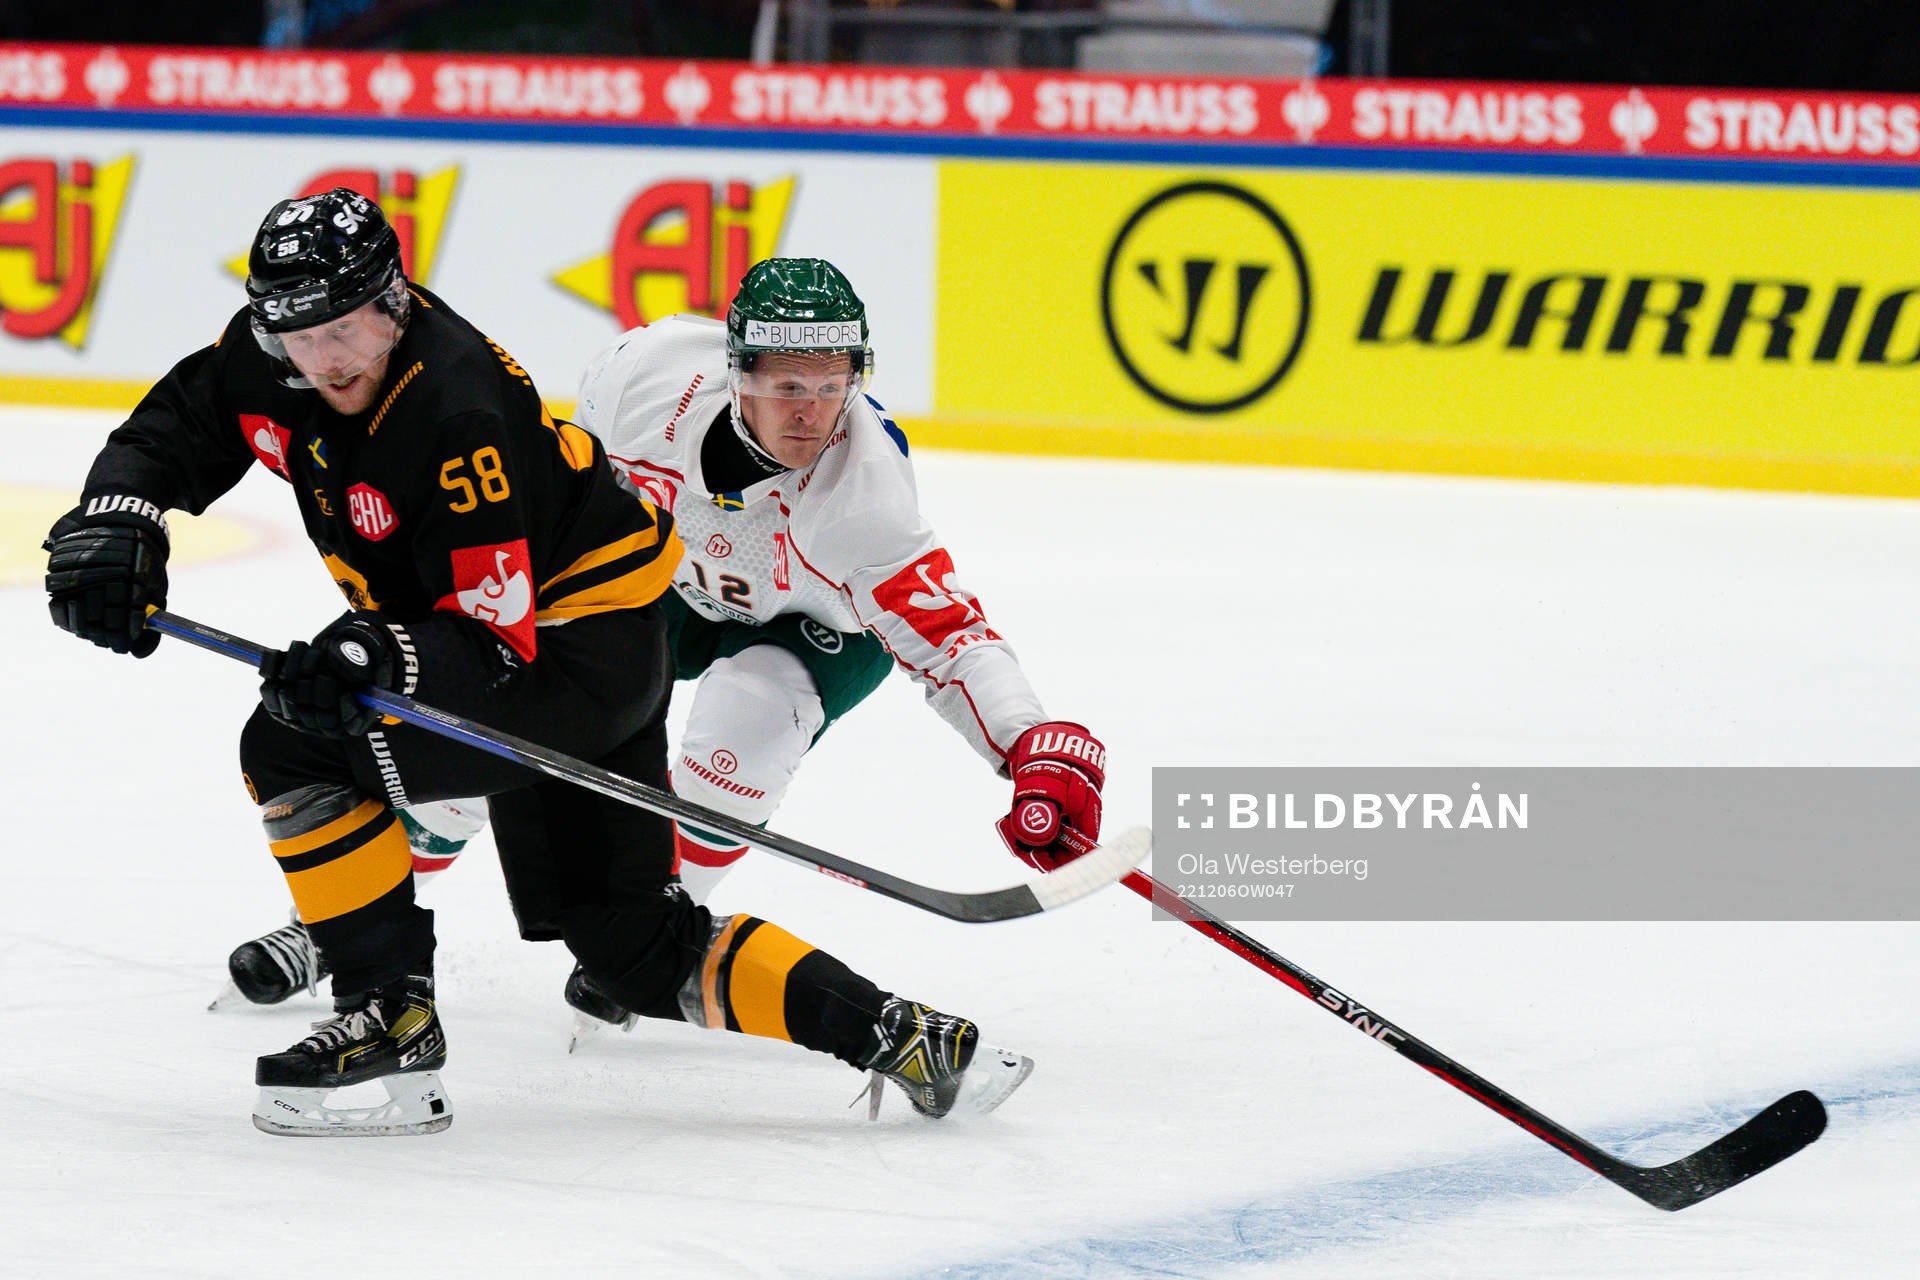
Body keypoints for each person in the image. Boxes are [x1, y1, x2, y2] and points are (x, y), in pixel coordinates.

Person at [45, 195, 1027, 1133]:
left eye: (346, 327)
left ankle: (384, 1003)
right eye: (302, 335)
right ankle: (907, 1035)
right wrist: (120, 512)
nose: (328, 357)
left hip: (576, 656)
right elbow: (190, 414)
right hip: (613, 621)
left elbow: (491, 643)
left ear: (392, 302)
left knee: (294, 741)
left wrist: (369, 652)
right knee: (633, 945)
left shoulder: (458, 413)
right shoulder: (282, 354)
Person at [219, 256, 1109, 1054]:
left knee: (741, 739)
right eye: (785, 379)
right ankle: (340, 922)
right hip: (657, 583)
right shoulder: (642, 374)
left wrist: (1030, 744)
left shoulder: (865, 502)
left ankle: (652, 927)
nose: (810, 410)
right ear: (738, 369)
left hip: (810, 627)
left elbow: (951, 639)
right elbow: (543, 500)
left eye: (832, 380)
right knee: (497, 709)